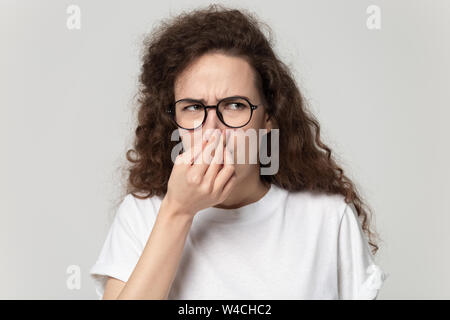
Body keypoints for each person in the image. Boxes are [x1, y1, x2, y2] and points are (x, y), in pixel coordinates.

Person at [89, 4, 388, 300]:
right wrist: (178, 211)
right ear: (174, 121)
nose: (212, 128)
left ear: (268, 117)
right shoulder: (143, 214)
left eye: (235, 105)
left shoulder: (327, 218)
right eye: (193, 107)